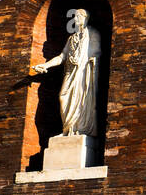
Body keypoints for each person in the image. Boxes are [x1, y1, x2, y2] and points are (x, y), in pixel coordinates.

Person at [32, 8, 102, 137]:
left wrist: (93, 60)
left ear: (84, 18)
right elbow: (62, 57)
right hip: (70, 72)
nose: (75, 19)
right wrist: (46, 65)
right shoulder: (71, 38)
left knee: (82, 98)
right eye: (74, 17)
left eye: (77, 17)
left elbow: (97, 53)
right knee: (63, 96)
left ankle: (79, 129)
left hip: (83, 72)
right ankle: (67, 128)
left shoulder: (92, 34)